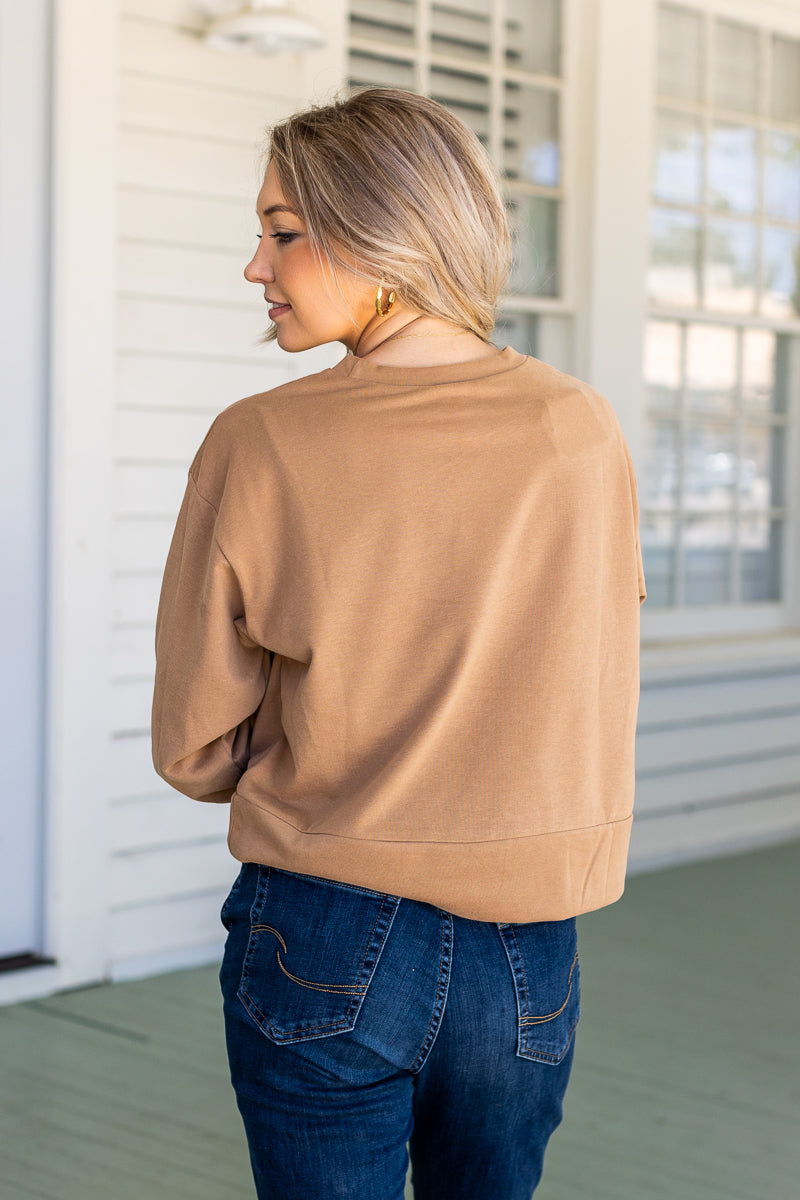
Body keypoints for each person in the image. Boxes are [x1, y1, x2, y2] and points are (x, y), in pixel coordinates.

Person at [151, 86, 646, 1200]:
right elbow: (590, 680)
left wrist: (334, 731)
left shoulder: (259, 441)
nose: (255, 266)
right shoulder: (577, 427)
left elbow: (194, 745)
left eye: (282, 232)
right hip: (526, 951)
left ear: (381, 230)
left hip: (320, 927)